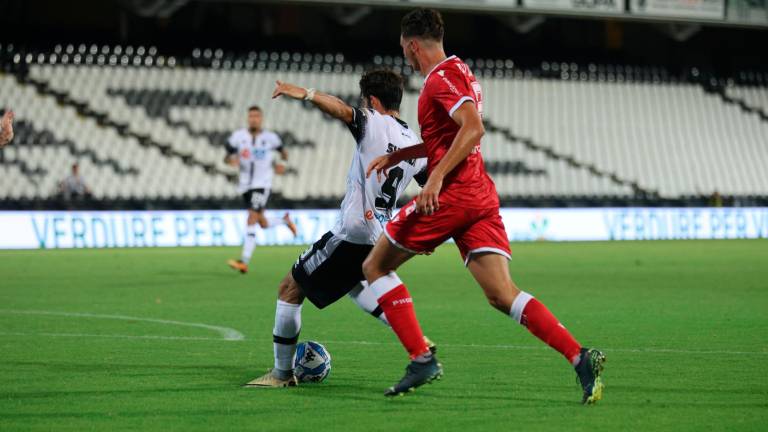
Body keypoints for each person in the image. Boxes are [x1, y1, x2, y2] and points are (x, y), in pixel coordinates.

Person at [362, 8, 605, 403]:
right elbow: (450, 134)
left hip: (452, 196)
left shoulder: (439, 79)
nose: (405, 58)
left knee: (374, 266)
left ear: (411, 46)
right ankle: (579, 358)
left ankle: (420, 357)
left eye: (405, 51)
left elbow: (474, 128)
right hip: (479, 196)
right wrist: (400, 154)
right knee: (501, 294)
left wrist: (436, 178)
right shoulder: (460, 71)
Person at [244, 69, 431, 388]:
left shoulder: (373, 121)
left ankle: (281, 374)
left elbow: (343, 111)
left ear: (372, 101)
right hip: (382, 236)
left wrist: (305, 93)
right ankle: (418, 341)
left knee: (290, 288)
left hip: (354, 231)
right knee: (355, 283)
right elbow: (431, 191)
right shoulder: (414, 143)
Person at [225, 105, 298, 274]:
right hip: (244, 186)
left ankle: (243, 261)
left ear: (261, 118)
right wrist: (230, 160)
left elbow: (284, 153)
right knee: (261, 222)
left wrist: (282, 164)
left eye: (256, 116)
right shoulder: (238, 137)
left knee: (251, 217)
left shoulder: (271, 138)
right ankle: (284, 221)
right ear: (247, 118)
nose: (253, 119)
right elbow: (226, 156)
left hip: (262, 184)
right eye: (251, 116)